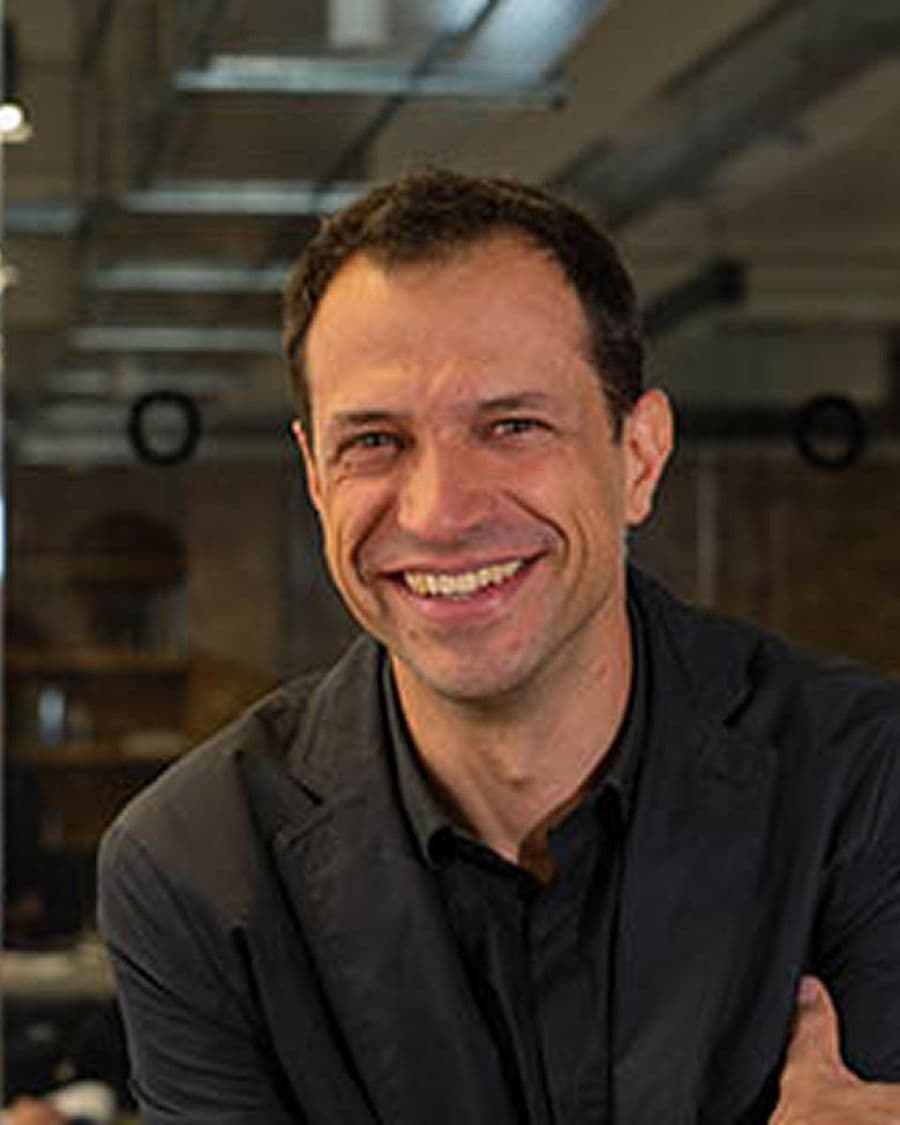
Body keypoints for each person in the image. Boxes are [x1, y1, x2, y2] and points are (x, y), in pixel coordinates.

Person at [97, 169, 900, 1124]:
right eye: (375, 441)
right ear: (315, 479)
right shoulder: (193, 868)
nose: (439, 513)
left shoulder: (863, 778)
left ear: (637, 457)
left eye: (512, 425)